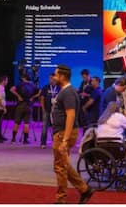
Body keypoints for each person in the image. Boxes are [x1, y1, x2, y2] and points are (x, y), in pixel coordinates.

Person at [50, 64, 94, 204]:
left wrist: (65, 140)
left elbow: (71, 115)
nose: (54, 77)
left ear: (62, 76)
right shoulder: (67, 91)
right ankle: (84, 189)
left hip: (63, 133)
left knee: (60, 167)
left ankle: (61, 199)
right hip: (62, 132)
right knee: (63, 164)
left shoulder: (68, 92)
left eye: (56, 75)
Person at [10, 71, 39, 145]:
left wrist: (18, 96)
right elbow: (40, 92)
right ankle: (25, 140)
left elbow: (11, 89)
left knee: (17, 122)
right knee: (26, 123)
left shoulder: (20, 85)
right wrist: (33, 97)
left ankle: (13, 139)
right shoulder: (33, 85)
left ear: (24, 78)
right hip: (29, 106)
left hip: (20, 105)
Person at [40, 73, 59, 148]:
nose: (51, 80)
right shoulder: (45, 87)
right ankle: (43, 143)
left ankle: (56, 142)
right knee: (45, 127)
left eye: (52, 78)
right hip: (47, 110)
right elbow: (42, 98)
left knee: (56, 127)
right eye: (50, 78)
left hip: (56, 111)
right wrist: (43, 109)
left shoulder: (59, 88)